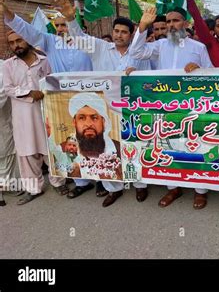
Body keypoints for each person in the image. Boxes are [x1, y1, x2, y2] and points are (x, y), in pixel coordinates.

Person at [55, 0, 150, 203]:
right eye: (116, 31)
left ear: (131, 34)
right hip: (105, 109)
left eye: (124, 32)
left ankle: (140, 185)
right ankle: (113, 187)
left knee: (134, 146)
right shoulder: (99, 47)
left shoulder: (139, 53)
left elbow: (149, 80)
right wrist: (71, 19)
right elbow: (79, 38)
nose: (118, 35)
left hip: (132, 108)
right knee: (108, 148)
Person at [129, 5, 213, 209]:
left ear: (185, 23)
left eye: (175, 21)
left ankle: (200, 191)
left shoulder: (198, 47)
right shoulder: (160, 46)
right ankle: (173, 188)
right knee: (170, 146)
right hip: (165, 105)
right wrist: (142, 26)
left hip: (192, 106)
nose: (171, 25)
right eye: (168, 22)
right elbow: (136, 52)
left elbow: (212, 75)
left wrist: (199, 69)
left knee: (195, 145)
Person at [2, 30, 67, 205]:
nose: (16, 45)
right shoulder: (8, 65)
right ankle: (33, 189)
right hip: (22, 116)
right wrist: (30, 93)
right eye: (12, 43)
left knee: (51, 148)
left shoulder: (44, 61)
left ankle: (58, 182)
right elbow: (8, 89)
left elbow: (54, 82)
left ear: (28, 40)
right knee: (27, 152)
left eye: (19, 40)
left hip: (46, 112)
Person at [49, 92, 125, 207]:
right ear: (74, 122)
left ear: (103, 122)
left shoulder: (118, 148)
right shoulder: (66, 147)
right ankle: (82, 184)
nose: (88, 124)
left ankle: (114, 190)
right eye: (82, 118)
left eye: (94, 117)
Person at [0, 0, 93, 73]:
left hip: (88, 92)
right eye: (57, 25)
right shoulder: (51, 42)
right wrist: (6, 11)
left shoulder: (89, 43)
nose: (59, 29)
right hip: (61, 93)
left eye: (64, 25)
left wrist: (70, 18)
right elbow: (24, 28)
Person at [0, 59, 21, 206]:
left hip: (3, 119)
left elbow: (3, 92)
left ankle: (8, 185)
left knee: (6, 152)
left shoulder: (3, 66)